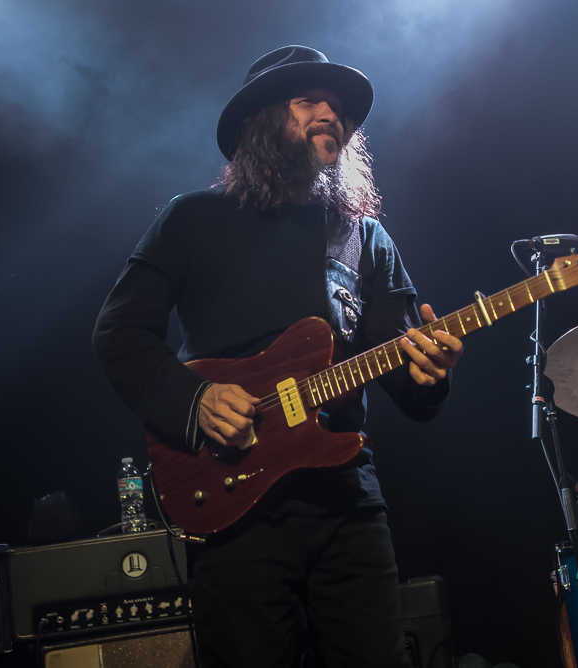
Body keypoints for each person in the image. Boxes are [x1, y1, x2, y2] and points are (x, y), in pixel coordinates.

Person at [92, 46, 462, 668]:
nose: (331, 115)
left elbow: (407, 382)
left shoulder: (365, 238)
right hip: (234, 493)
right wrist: (196, 399)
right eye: (309, 101)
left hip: (345, 496)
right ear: (262, 119)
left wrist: (430, 376)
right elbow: (119, 332)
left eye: (340, 109)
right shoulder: (193, 220)